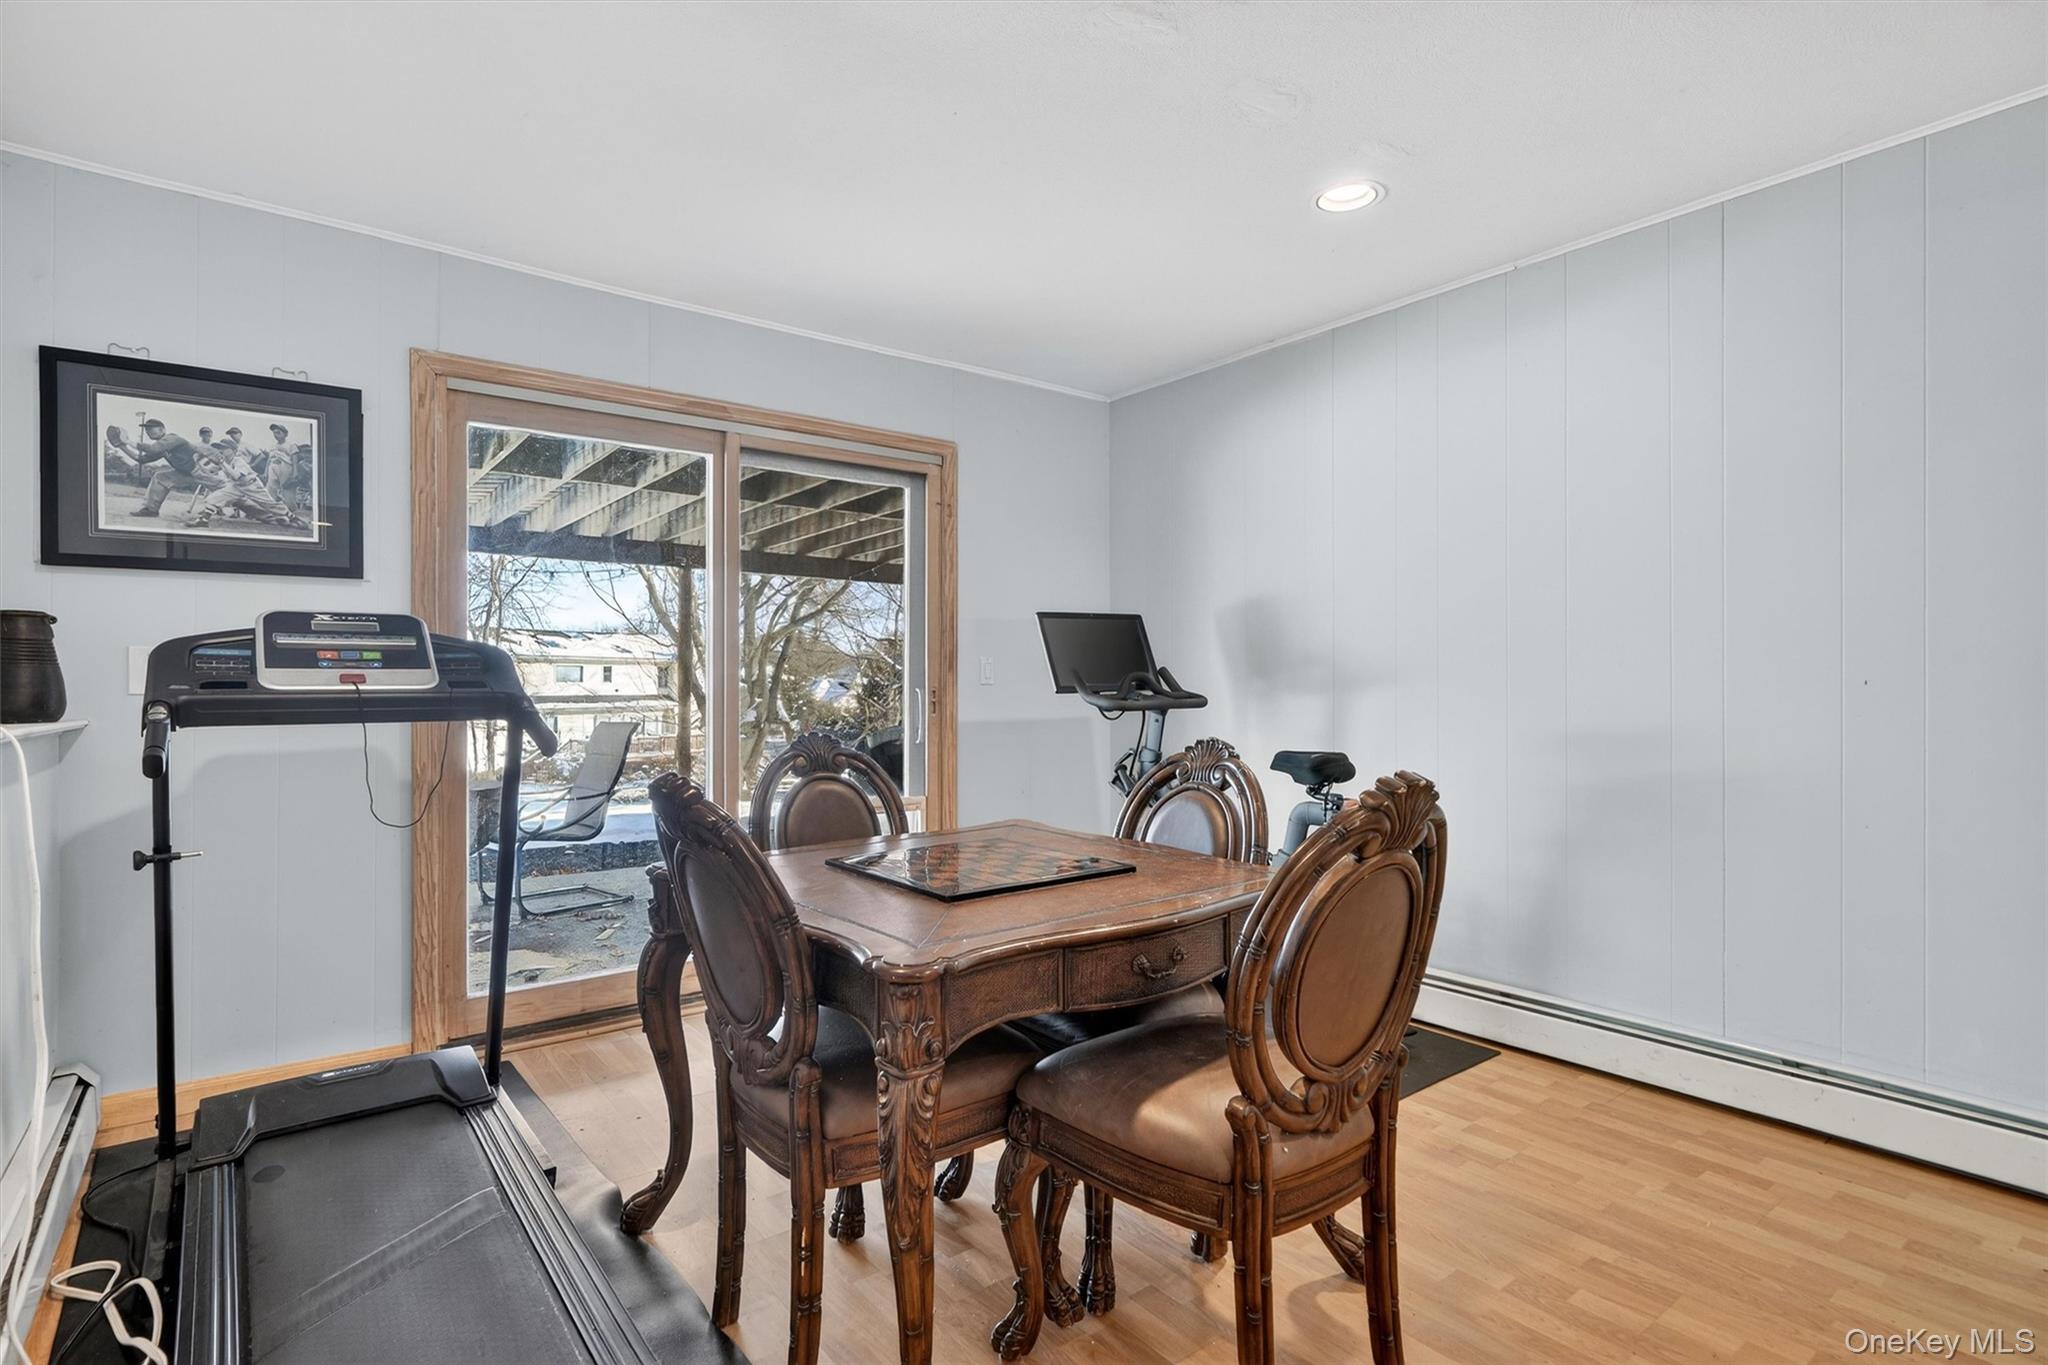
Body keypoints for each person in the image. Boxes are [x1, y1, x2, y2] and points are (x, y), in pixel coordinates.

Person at [110, 418, 210, 518]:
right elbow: (141, 459)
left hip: (206, 472)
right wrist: (122, 446)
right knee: (160, 477)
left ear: (162, 430)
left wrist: (127, 441)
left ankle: (216, 510)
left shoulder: (173, 438)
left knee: (222, 492)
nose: (148, 431)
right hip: (187, 474)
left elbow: (153, 449)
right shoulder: (162, 448)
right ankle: (151, 510)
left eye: (151, 428)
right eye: (147, 430)